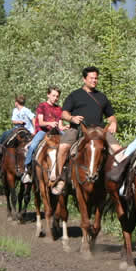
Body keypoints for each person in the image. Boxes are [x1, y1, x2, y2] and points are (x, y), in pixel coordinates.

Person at [54, 66, 121, 194]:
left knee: (119, 151)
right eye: (91, 78)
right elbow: (64, 114)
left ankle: (118, 183)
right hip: (79, 129)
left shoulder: (102, 97)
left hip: (99, 131)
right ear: (84, 79)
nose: (94, 80)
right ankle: (61, 179)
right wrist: (72, 118)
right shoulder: (75, 95)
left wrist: (113, 123)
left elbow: (111, 116)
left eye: (96, 78)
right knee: (62, 148)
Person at [23, 86, 64, 183]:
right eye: (53, 95)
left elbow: (60, 125)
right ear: (48, 95)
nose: (55, 98)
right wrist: (50, 123)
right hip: (43, 131)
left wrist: (65, 128)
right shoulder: (42, 106)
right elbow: (41, 122)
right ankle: (27, 169)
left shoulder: (59, 109)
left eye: (57, 96)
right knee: (33, 146)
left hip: (55, 132)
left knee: (68, 143)